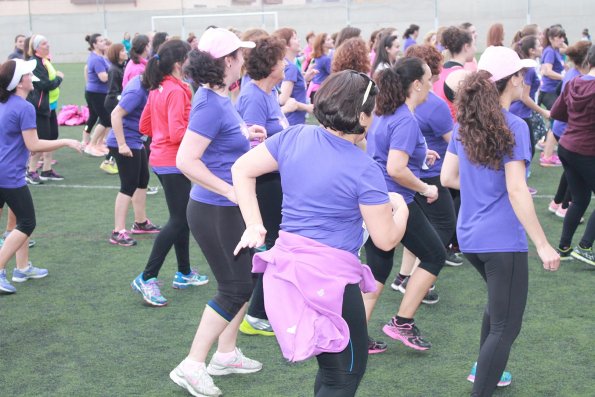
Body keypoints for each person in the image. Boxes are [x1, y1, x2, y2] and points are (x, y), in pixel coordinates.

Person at [232, 70, 408, 397]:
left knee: (332, 370)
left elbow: (242, 169)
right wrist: (402, 209)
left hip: (288, 273)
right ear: (363, 115)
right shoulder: (362, 168)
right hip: (330, 280)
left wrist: (254, 223)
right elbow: (385, 239)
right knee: (346, 373)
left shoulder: (295, 135)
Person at [440, 46, 560, 396]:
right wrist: (542, 243)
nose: (526, 81)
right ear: (513, 81)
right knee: (506, 326)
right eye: (522, 76)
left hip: (470, 237)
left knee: (498, 309)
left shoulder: (466, 122)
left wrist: (485, 185)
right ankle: (483, 384)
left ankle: (487, 371)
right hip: (500, 240)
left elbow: (448, 177)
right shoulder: (515, 124)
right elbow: (517, 190)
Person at [169, 28, 264, 397]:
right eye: (240, 55)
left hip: (225, 207)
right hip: (215, 209)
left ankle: (225, 354)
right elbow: (185, 160)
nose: (244, 60)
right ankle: (192, 365)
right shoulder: (209, 102)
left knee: (245, 281)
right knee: (235, 287)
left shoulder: (220, 96)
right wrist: (229, 190)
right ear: (228, 61)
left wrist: (246, 131)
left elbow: (220, 139)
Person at [364, 56, 446, 351]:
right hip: (393, 202)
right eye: (428, 79)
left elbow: (389, 157)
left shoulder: (387, 112)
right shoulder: (405, 119)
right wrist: (426, 187)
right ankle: (402, 322)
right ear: (416, 84)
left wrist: (422, 158)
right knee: (435, 254)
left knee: (376, 269)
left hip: (376, 198)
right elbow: (395, 168)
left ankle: (355, 337)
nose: (430, 84)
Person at [132, 39, 207, 307]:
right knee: (178, 219)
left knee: (182, 217)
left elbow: (145, 125)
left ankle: (184, 273)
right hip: (174, 162)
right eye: (188, 58)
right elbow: (177, 132)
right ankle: (147, 276)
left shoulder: (159, 87)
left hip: (162, 160)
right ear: (179, 63)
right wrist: (203, 137)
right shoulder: (177, 90)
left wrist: (164, 135)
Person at [0, 59, 81, 294]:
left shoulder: (6, 103)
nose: (31, 76)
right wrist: (66, 141)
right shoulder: (24, 107)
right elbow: (33, 145)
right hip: (9, 175)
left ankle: (22, 267)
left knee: (15, 220)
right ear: (19, 82)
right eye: (27, 74)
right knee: (27, 222)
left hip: (5, 172)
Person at [234, 36, 291, 336]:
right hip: (264, 183)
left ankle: (264, 305)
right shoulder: (254, 96)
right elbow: (250, 150)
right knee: (275, 243)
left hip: (275, 180)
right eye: (282, 60)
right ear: (270, 66)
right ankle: (255, 314)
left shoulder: (269, 93)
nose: (287, 64)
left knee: (277, 242)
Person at [552, 44, 595, 265]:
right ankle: (585, 246)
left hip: (568, 146)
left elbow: (557, 112)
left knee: (580, 199)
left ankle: (564, 247)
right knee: (580, 199)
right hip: (586, 150)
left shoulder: (573, 82)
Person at [107, 74, 160, 248]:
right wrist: (122, 144)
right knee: (128, 185)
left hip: (136, 140)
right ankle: (118, 231)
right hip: (124, 142)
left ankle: (140, 222)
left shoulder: (146, 84)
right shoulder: (137, 91)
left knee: (142, 180)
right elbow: (116, 114)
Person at [545, 41, 590, 219]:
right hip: (568, 130)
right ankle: (564, 206)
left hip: (562, 128)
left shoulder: (572, 74)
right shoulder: (577, 78)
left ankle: (556, 202)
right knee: (577, 172)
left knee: (570, 170)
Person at [23, 34, 65, 184]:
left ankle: (47, 169)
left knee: (52, 137)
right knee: (40, 140)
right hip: (39, 107)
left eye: (47, 43)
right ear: (36, 48)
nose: (48, 46)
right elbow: (45, 84)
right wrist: (59, 78)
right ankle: (31, 171)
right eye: (44, 44)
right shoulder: (34, 63)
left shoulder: (45, 60)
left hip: (50, 106)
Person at [538, 25, 567, 167]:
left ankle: (546, 148)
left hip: (552, 91)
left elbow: (567, 50)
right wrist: (564, 77)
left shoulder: (554, 50)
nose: (562, 39)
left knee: (555, 121)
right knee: (557, 121)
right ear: (551, 38)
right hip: (548, 92)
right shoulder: (549, 51)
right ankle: (547, 156)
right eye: (559, 37)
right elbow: (548, 71)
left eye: (563, 36)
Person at [274, 27, 314, 126]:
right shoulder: (290, 67)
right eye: (295, 38)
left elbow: (286, 90)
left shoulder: (285, 65)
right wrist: (306, 107)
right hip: (293, 121)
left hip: (289, 120)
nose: (299, 40)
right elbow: (283, 98)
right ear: (286, 45)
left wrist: (304, 79)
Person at [435, 26, 476, 119]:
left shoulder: (439, 71)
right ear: (466, 47)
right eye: (474, 45)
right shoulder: (463, 75)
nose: (475, 49)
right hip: (455, 130)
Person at [100, 42, 128, 175]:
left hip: (118, 102)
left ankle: (110, 160)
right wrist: (124, 100)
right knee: (117, 132)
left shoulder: (122, 67)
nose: (125, 52)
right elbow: (113, 92)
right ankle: (108, 161)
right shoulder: (113, 70)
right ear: (116, 54)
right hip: (113, 104)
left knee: (118, 132)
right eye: (122, 51)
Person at [82, 33, 110, 156]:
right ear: (94, 44)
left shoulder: (100, 57)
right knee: (105, 119)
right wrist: (117, 74)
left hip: (98, 92)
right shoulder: (96, 58)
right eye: (101, 41)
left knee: (97, 117)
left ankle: (96, 144)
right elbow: (103, 78)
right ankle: (91, 144)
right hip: (96, 93)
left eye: (104, 40)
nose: (104, 42)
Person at [306, 32, 334, 102]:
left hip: (314, 90)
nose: (332, 40)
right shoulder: (325, 59)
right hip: (321, 91)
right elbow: (334, 73)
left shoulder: (317, 57)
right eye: (328, 39)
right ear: (322, 44)